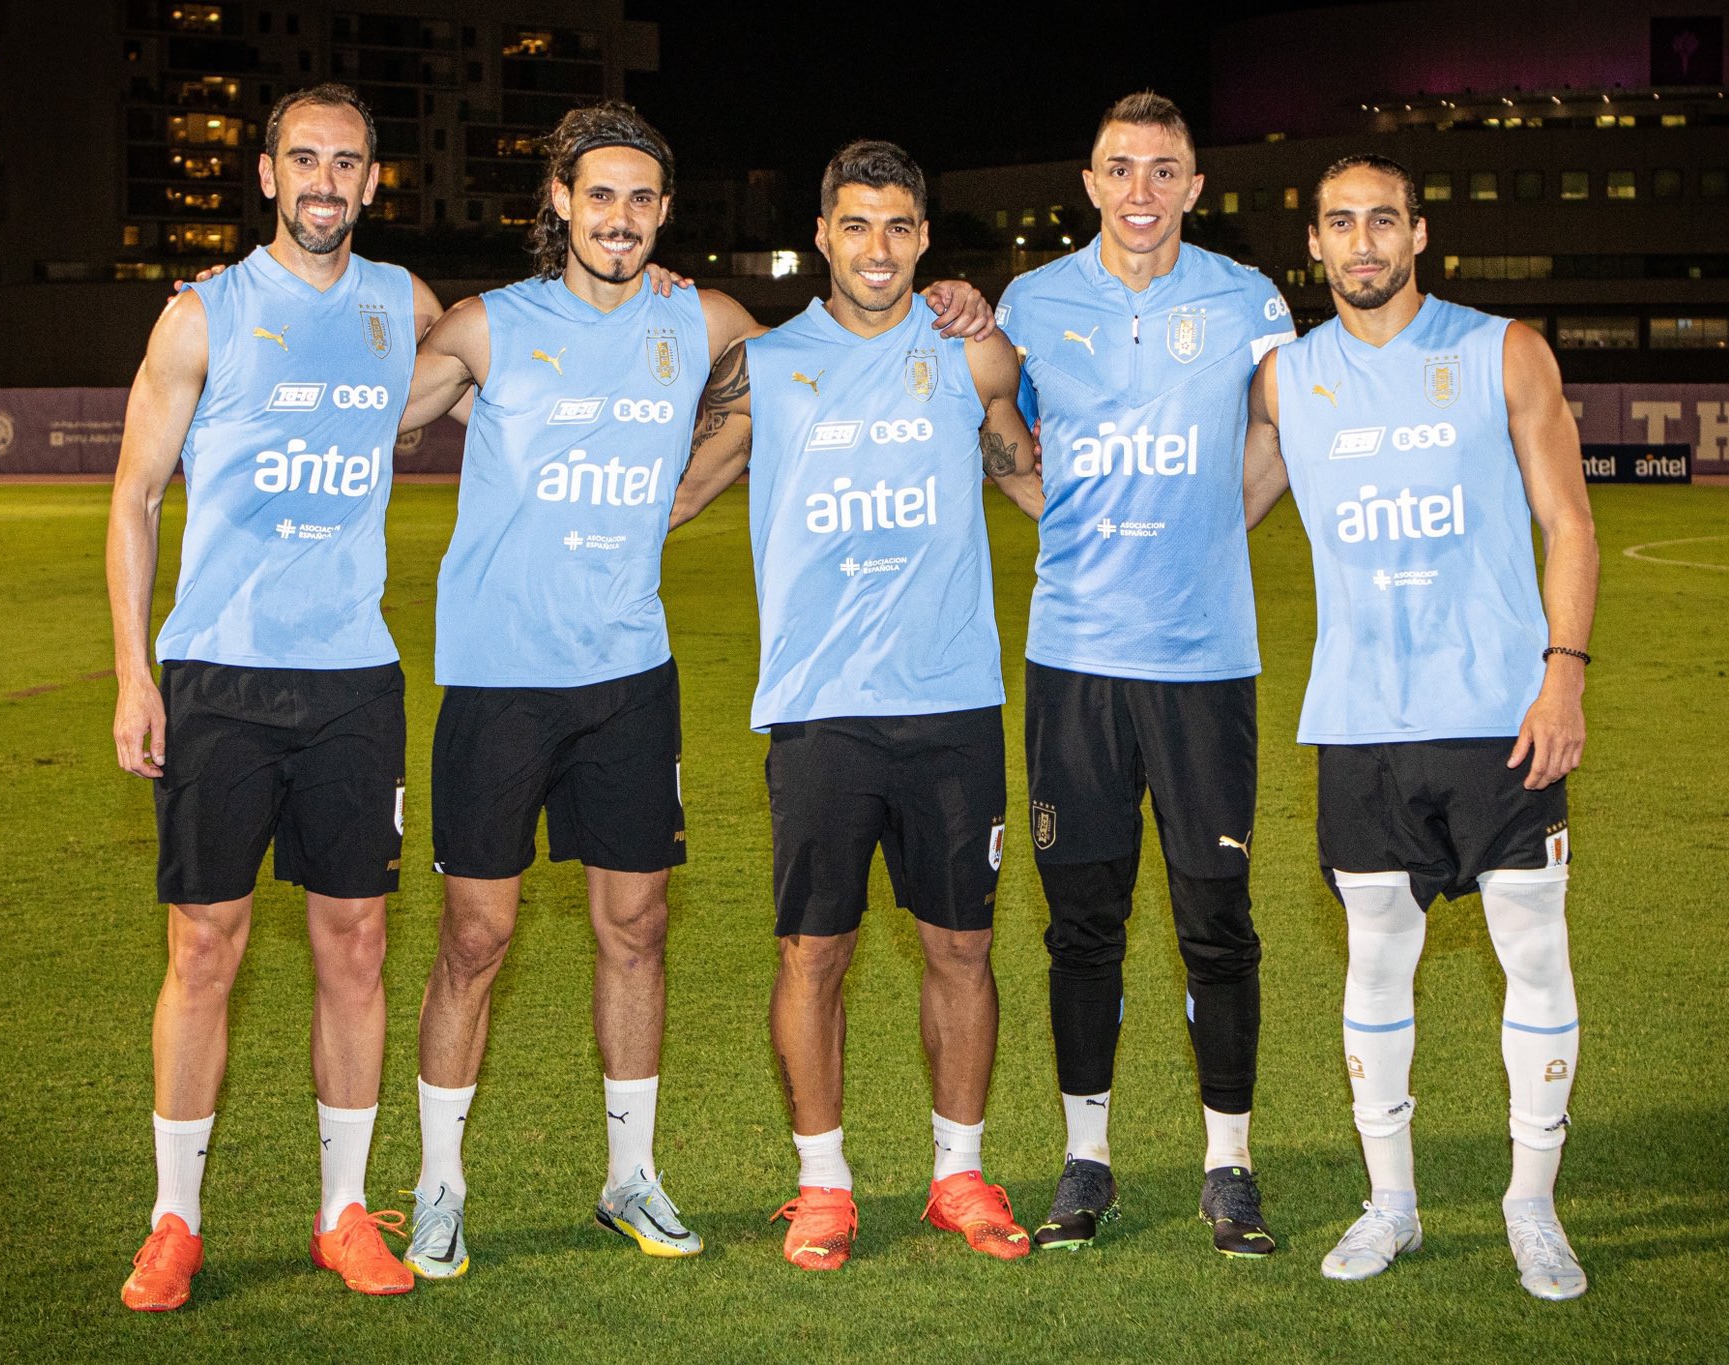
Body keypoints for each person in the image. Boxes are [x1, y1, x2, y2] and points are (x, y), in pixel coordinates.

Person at [391, 104, 993, 1277]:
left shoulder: (707, 320)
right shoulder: (488, 326)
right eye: (596, 195)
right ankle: (436, 1186)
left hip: (629, 673)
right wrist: (336, 289)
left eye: (640, 199)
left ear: (664, 214)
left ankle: (631, 1176)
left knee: (637, 928)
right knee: (475, 934)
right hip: (497, 677)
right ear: (558, 202)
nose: (617, 218)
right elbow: (376, 394)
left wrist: (944, 300)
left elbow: (836, 349)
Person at [670, 139, 1043, 1271]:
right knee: (812, 953)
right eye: (854, 225)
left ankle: (957, 1172)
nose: (876, 248)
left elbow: (1031, 478)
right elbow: (676, 485)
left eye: (897, 227)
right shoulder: (769, 366)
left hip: (950, 701)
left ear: (923, 238)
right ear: (822, 236)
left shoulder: (970, 356)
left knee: (960, 946)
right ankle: (821, 1181)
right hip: (819, 706)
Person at [108, 84, 442, 1310]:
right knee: (205, 943)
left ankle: (343, 1209)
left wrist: (661, 293)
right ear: (265, 175)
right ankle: (175, 1220)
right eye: (303, 158)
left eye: (346, 163)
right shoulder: (201, 317)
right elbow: (135, 498)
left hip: (353, 674)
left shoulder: (403, 307)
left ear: (370, 181)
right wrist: (137, 672)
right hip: (220, 674)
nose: (324, 180)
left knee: (353, 943)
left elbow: (496, 355)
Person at [1242, 154, 1599, 1300]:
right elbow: (1207, 514)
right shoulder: (1286, 381)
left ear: (1417, 234)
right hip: (1361, 724)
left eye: (1380, 222)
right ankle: (1387, 1201)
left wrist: (1562, 676)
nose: (1361, 243)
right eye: (1339, 223)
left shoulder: (1500, 350)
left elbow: (1569, 521)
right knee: (1377, 957)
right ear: (1312, 244)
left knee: (1532, 955)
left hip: (1501, 718)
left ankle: (1529, 1205)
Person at [993, 91, 1296, 1254]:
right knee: (1083, 922)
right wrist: (1052, 511)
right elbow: (997, 429)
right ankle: (1086, 1156)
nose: (1139, 191)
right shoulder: (1032, 302)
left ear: (1192, 187)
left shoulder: (1242, 298)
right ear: (1088, 181)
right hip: (1072, 658)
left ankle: (1229, 1164)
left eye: (1162, 170)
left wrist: (1220, 524)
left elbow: (1282, 428)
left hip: (1202, 663)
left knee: (1214, 917)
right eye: (1120, 168)